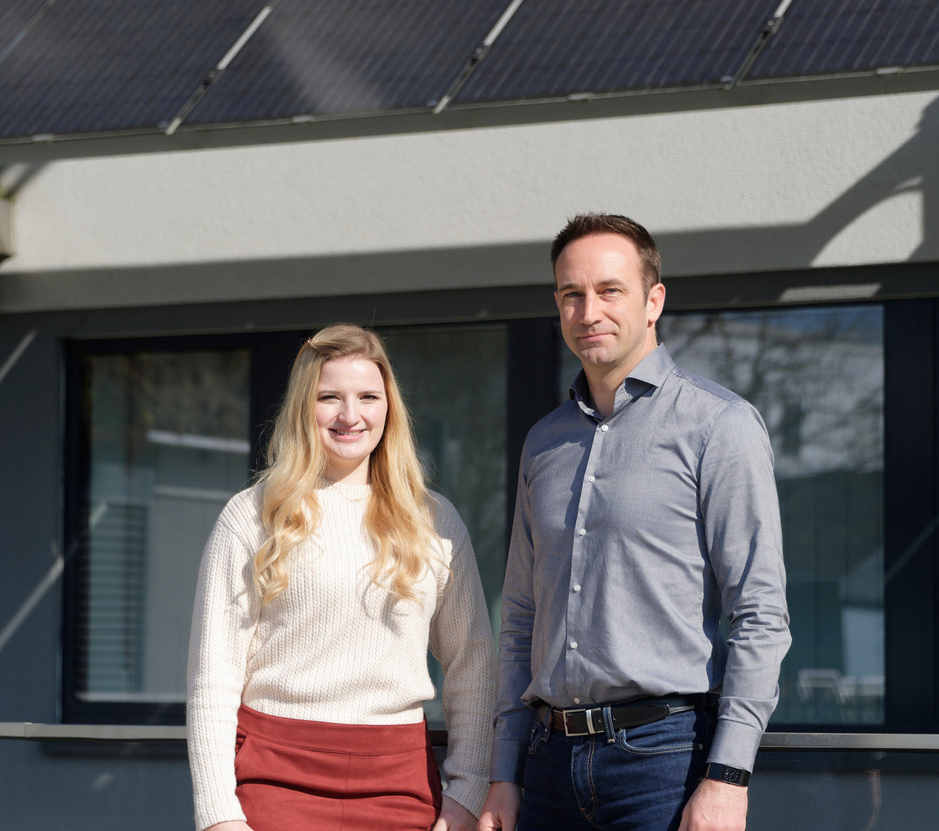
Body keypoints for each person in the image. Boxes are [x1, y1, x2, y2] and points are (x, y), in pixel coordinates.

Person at [478, 215, 791, 831]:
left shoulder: (718, 426)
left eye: (609, 290)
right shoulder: (544, 443)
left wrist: (728, 776)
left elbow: (760, 612)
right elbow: (519, 618)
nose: (588, 311)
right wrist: (503, 772)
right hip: (547, 766)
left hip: (665, 764)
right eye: (572, 294)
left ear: (654, 301)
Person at [187, 323, 496, 831]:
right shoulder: (252, 517)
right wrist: (219, 816)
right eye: (329, 397)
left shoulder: (435, 521)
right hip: (276, 779)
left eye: (368, 397)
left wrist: (467, 791)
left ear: (389, 407)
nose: (350, 416)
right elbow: (213, 679)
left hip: (400, 783)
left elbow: (473, 664)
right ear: (303, 407)